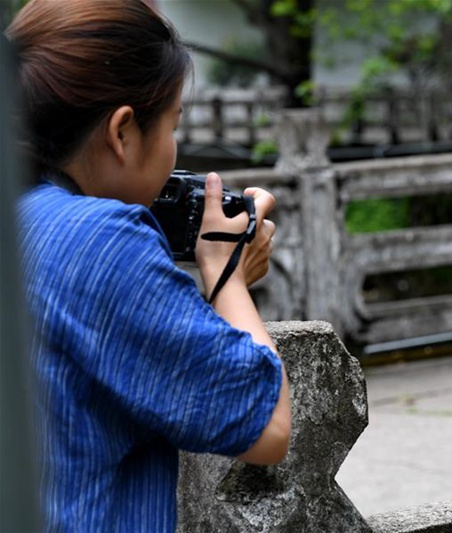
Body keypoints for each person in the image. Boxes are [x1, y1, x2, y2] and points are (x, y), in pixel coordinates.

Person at [8, 1, 291, 531]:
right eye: (172, 124)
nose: (173, 149)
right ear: (122, 132)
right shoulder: (99, 240)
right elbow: (266, 424)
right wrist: (226, 272)